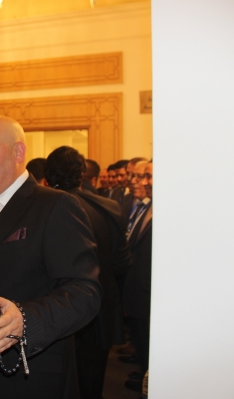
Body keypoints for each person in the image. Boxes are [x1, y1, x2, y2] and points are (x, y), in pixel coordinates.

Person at [0, 116, 101, 398]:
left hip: (26, 377)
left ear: (18, 152)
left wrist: (27, 319)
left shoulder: (55, 206)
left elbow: (84, 292)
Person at [45, 146, 132, 399]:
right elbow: (122, 263)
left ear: (48, 176)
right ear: (83, 173)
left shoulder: (43, 207)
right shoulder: (110, 208)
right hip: (98, 310)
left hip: (53, 312)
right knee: (92, 384)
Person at [122, 160, 153, 393]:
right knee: (142, 343)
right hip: (138, 288)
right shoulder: (147, 207)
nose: (143, 182)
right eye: (143, 177)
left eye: (148, 176)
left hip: (149, 291)